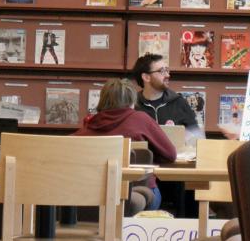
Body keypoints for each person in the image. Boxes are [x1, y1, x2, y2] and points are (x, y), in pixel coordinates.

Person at [74, 78, 177, 209]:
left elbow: (66, 146)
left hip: (92, 196)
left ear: (102, 100)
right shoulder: (140, 119)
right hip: (137, 193)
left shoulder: (90, 124)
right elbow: (171, 154)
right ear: (132, 101)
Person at [132, 54, 199, 129]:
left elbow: (196, 136)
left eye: (167, 70)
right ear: (146, 77)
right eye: (162, 71)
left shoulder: (179, 102)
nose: (168, 75)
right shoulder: (132, 105)